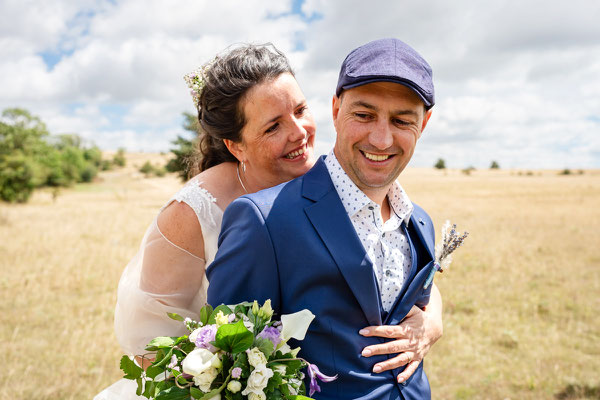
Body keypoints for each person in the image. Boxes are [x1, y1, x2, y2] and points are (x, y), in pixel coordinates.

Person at [95, 42, 442, 400]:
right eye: (273, 126)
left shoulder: (390, 203)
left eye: (300, 110)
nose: (299, 133)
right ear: (237, 146)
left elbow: (385, 273)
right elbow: (163, 341)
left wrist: (431, 321)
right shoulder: (216, 213)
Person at [206, 38, 440, 399]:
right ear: (335, 109)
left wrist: (430, 321)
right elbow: (228, 371)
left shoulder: (420, 222)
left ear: (422, 125)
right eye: (363, 115)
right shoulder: (262, 222)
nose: (381, 139)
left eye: (401, 120)